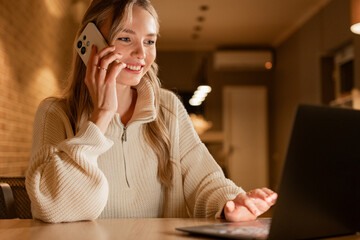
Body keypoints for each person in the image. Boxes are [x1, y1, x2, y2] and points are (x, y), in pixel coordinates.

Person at [25, 0, 277, 223]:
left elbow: (205, 180)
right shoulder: (55, 114)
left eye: (149, 41)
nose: (141, 54)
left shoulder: (168, 109)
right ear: (90, 43)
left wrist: (231, 203)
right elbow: (53, 207)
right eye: (125, 38)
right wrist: (100, 118)